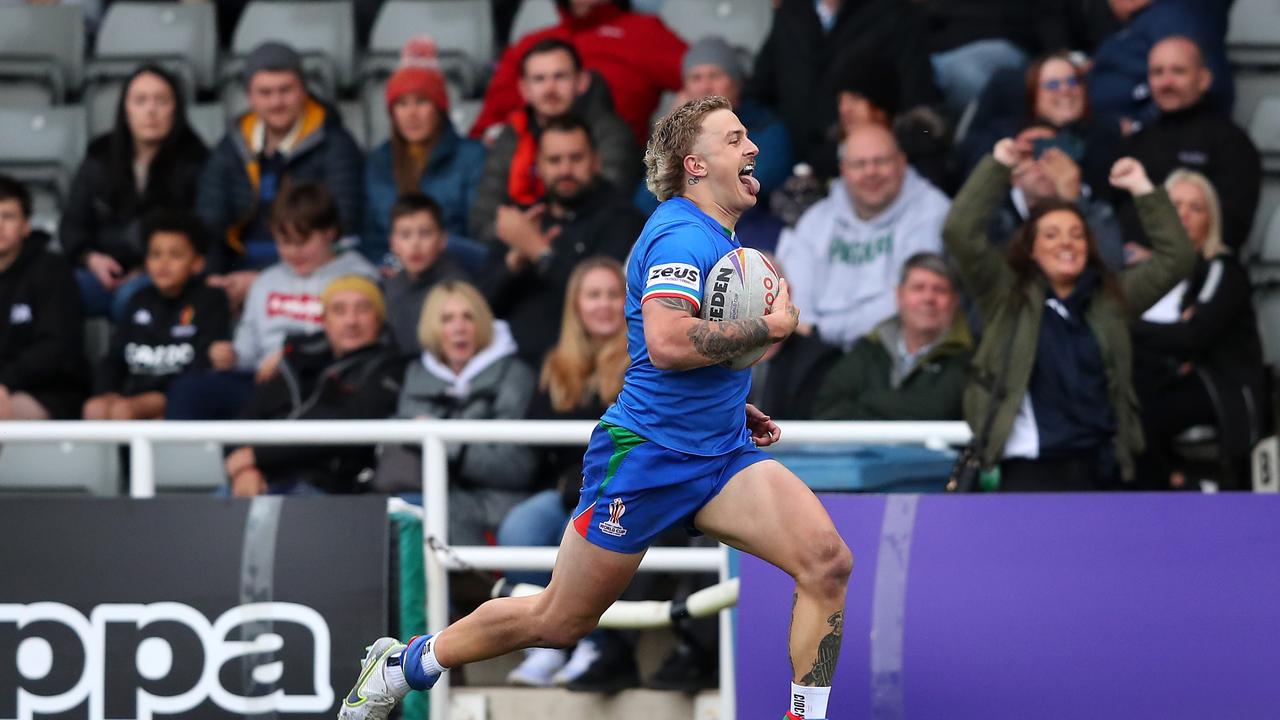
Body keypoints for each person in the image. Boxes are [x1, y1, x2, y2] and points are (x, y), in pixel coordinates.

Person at [338, 96, 852, 720]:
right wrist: (767, 328)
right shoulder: (678, 232)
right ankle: (405, 664)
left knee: (827, 563)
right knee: (559, 620)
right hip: (646, 458)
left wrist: (727, 402)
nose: (753, 149)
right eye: (736, 138)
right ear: (695, 164)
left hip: (719, 453)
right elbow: (665, 344)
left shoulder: (715, 234)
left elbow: (675, 346)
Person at [943, 138, 1195, 491]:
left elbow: (1177, 258)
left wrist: (1142, 188)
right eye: (1052, 234)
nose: (1067, 243)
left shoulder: (1110, 299)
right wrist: (998, 165)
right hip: (1030, 470)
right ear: (1030, 249)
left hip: (1102, 468)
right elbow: (960, 232)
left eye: (1077, 235)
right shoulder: (1006, 296)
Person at [496, 257, 628, 686]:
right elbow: (538, 441)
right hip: (564, 489)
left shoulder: (645, 357)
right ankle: (545, 642)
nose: (604, 305)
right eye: (594, 295)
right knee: (520, 527)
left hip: (620, 490)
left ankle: (593, 641)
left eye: (613, 294)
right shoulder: (555, 364)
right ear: (576, 305)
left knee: (581, 532)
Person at [166, 182, 377, 420]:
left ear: (329, 232)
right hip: (265, 384)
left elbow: (358, 339)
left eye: (303, 241)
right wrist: (232, 356)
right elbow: (249, 346)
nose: (294, 252)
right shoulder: (266, 281)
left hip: (325, 380)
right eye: (285, 242)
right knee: (190, 390)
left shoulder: (358, 277)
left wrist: (291, 356)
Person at [196, 41, 365, 308]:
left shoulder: (335, 144)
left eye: (286, 90)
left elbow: (340, 224)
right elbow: (210, 220)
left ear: (304, 90)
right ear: (249, 97)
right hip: (236, 269)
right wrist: (216, 278)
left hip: (309, 270)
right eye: (265, 92)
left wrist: (264, 280)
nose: (276, 102)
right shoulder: (232, 145)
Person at [373, 280, 537, 547]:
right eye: (447, 319)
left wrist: (450, 446)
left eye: (468, 317)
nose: (459, 328)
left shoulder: (515, 375)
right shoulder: (416, 373)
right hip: (427, 492)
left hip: (498, 500)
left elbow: (517, 467)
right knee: (394, 511)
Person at [1132, 170, 1265, 490]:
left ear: (1211, 219)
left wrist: (1126, 325)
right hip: (1176, 379)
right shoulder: (1147, 273)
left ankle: (1171, 484)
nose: (1184, 216)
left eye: (1196, 208)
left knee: (1140, 415)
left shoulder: (1222, 269)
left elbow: (1193, 335)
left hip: (1224, 392)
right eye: (1176, 205)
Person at [482, 114, 645, 365]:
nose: (565, 170)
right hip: (511, 362)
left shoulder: (623, 220)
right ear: (539, 165)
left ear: (596, 161)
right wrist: (514, 264)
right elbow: (483, 308)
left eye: (576, 158)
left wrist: (540, 252)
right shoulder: (526, 221)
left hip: (589, 365)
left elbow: (607, 301)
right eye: (555, 160)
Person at [224, 276, 405, 496]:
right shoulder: (296, 359)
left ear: (379, 319)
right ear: (323, 319)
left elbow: (349, 426)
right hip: (260, 477)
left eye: (363, 309)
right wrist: (246, 470)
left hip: (330, 489)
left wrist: (258, 456)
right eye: (339, 310)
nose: (351, 321)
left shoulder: (391, 367)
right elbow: (248, 418)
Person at [776, 124, 951, 350]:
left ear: (902, 162)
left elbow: (908, 299)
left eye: (881, 161)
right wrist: (811, 333)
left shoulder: (932, 212)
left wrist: (823, 332)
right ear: (843, 170)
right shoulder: (818, 218)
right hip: (813, 349)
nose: (871, 172)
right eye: (859, 164)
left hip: (888, 348)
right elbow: (794, 290)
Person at [61, 64, 209, 321]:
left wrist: (148, 268)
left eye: (161, 100)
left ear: (176, 108)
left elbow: (200, 232)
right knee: (53, 292)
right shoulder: (100, 154)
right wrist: (91, 259)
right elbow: (73, 223)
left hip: (162, 275)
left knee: (134, 298)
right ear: (125, 109)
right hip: (99, 271)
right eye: (140, 100)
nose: (150, 110)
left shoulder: (197, 160)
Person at [467, 38, 639, 244]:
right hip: (513, 247)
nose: (550, 88)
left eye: (560, 77)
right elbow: (483, 214)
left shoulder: (610, 132)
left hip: (587, 247)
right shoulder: (512, 133)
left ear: (582, 82)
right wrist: (514, 239)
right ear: (524, 89)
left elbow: (609, 206)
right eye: (539, 79)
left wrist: (537, 242)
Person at [470, 0, 686, 147]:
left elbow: (708, 78)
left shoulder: (644, 33)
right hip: (523, 169)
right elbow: (485, 127)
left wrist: (683, 112)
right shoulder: (531, 44)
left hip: (613, 171)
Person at [83, 210, 230, 421]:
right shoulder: (138, 299)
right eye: (155, 254)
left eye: (176, 255)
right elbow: (115, 358)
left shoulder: (210, 300)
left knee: (124, 411)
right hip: (134, 396)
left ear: (198, 262)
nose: (163, 263)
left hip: (178, 396)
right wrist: (107, 392)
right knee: (94, 408)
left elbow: (205, 363)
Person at [1118, 36, 1261, 251]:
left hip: (1204, 269)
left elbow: (1232, 224)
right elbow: (1119, 212)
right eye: (1158, 72)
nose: (1166, 82)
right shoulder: (1136, 142)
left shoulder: (1232, 143)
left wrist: (1169, 261)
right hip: (1140, 270)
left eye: (1178, 71)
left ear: (1204, 79)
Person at [636, 37, 793, 215]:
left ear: (736, 83)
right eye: (696, 78)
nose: (705, 87)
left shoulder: (765, 127)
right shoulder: (678, 138)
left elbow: (745, 187)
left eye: (715, 76)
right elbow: (646, 200)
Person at [363, 45, 486, 268]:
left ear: (439, 108)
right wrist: (385, 267)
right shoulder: (377, 161)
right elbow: (370, 237)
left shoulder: (472, 156)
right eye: (401, 104)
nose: (411, 114)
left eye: (421, 101)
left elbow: (478, 235)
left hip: (453, 274)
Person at [814, 252, 972, 420]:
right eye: (918, 288)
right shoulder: (869, 348)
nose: (928, 298)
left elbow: (938, 412)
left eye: (940, 290)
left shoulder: (971, 358)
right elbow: (825, 409)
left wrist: (869, 403)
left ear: (955, 300)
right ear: (899, 295)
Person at [961, 52, 1124, 198]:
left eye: (1073, 81)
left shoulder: (1106, 132)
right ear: (1033, 95)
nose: (1065, 90)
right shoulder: (1003, 134)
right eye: (1052, 85)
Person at [0, 176, 87, 420]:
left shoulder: (51, 270)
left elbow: (57, 348)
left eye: (8, 216)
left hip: (48, 393)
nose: (0, 225)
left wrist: (5, 381)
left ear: (26, 225)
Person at [987, 124, 1125, 271]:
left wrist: (1074, 201)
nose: (1043, 164)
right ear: (1013, 173)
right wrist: (998, 169)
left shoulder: (1098, 210)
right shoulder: (992, 216)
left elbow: (1111, 266)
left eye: (1055, 152)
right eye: (1029, 154)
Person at [1086, 0, 1233, 126]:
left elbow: (1193, 87)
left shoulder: (1169, 18)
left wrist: (1140, 126)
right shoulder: (1138, 22)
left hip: (1152, 141)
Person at [380, 193, 468, 357]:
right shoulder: (391, 287)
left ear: (442, 240)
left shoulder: (458, 288)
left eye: (425, 233)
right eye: (405, 235)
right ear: (393, 243)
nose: (415, 244)